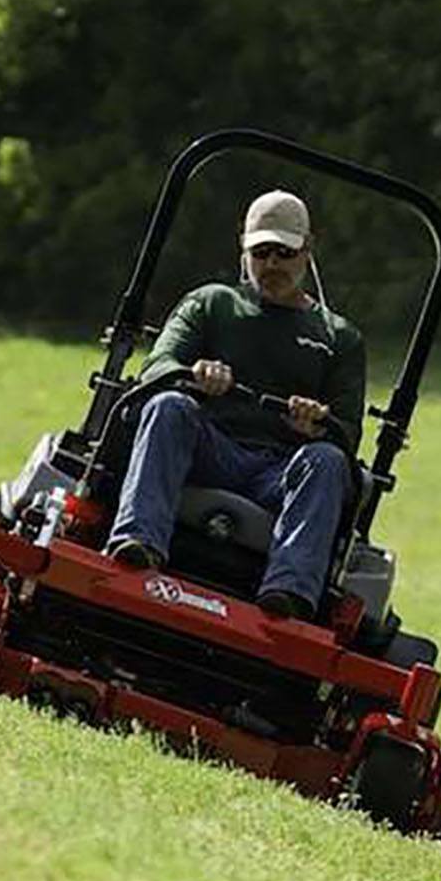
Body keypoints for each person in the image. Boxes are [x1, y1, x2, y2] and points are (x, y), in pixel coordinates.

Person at [104, 189, 366, 620]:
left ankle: (289, 592)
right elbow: (157, 366)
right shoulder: (211, 304)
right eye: (261, 252)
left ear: (307, 250)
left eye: (284, 252)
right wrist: (195, 376)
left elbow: (348, 431)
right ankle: (138, 543)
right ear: (243, 246)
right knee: (169, 405)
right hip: (208, 450)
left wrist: (319, 423)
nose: (273, 264)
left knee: (327, 460)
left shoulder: (338, 338)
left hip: (281, 472)